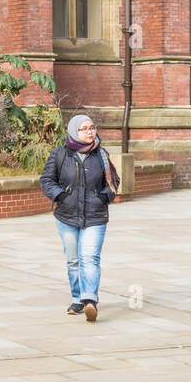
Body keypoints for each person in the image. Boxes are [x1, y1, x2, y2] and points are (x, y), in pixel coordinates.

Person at [40, 114, 120, 322]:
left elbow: (113, 181)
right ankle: (77, 299)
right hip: (66, 216)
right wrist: (61, 196)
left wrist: (104, 197)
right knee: (73, 260)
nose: (89, 132)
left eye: (92, 127)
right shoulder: (60, 154)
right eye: (84, 129)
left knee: (90, 258)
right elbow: (47, 180)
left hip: (95, 215)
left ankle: (90, 299)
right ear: (74, 131)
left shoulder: (101, 154)